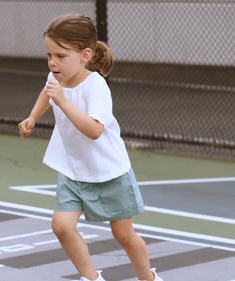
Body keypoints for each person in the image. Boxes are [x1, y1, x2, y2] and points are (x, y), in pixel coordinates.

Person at [18, 14, 163, 281]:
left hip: (109, 172)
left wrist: (63, 102)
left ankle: (149, 278)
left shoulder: (96, 86)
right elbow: (47, 91)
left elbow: (95, 130)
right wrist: (33, 117)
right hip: (73, 170)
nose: (53, 62)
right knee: (61, 226)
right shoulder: (56, 76)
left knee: (124, 235)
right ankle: (91, 278)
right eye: (49, 55)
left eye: (61, 56)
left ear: (85, 55)